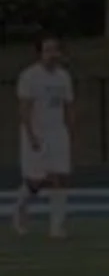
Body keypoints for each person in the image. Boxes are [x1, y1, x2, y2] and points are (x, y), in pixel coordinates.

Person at [11, 36, 75, 239]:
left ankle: (57, 226)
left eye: (55, 50)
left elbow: (68, 106)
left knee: (61, 177)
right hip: (37, 132)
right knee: (37, 180)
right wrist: (31, 135)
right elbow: (24, 108)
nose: (52, 54)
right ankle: (20, 207)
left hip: (57, 132)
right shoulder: (30, 76)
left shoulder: (63, 77)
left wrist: (70, 131)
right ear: (40, 53)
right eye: (47, 50)